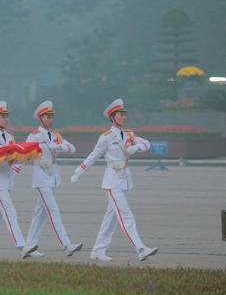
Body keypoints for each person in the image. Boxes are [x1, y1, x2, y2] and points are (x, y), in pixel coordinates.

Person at [71, 98, 157, 262]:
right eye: (120, 115)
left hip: (125, 179)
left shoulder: (129, 134)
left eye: (125, 114)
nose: (124, 117)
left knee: (111, 218)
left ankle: (97, 250)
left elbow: (147, 144)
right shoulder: (106, 137)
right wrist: (78, 173)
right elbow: (93, 156)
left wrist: (136, 146)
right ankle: (140, 248)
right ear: (112, 117)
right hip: (112, 181)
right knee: (126, 215)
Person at [0, 101, 37, 258]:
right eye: (2, 117)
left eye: (7, 117)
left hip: (8, 179)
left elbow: (15, 157)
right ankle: (22, 246)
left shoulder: (10, 136)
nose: (6, 120)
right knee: (10, 212)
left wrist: (24, 156)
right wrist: (6, 158)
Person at [25, 101, 82, 258]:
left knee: (40, 214)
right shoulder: (34, 136)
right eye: (48, 117)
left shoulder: (56, 136)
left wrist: (60, 147)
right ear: (40, 118)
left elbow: (72, 149)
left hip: (53, 177)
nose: (51, 120)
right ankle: (66, 244)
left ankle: (29, 246)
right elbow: (25, 155)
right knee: (53, 210)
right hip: (41, 177)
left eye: (52, 117)